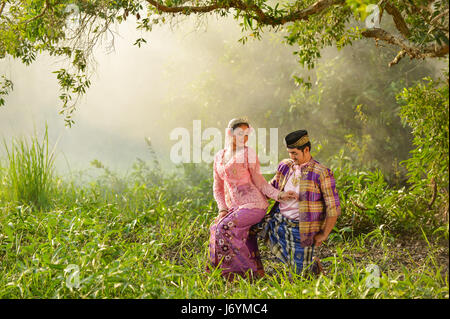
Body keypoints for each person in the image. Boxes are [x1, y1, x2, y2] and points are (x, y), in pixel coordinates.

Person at [208, 117, 296, 281]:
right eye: (240, 134)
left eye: (247, 134)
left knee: (224, 228)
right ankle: (225, 274)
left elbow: (260, 182)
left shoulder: (248, 153)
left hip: (254, 205)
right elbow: (217, 187)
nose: (244, 138)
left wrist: (279, 195)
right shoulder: (219, 156)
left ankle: (247, 275)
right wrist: (222, 209)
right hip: (235, 208)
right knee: (215, 226)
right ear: (229, 133)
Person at [252, 129, 341, 276]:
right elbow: (271, 188)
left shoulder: (321, 173)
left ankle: (312, 265)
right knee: (249, 227)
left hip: (301, 230)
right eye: (289, 153)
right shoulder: (285, 166)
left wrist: (324, 234)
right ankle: (251, 269)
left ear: (306, 149)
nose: (291, 157)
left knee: (301, 276)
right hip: (278, 220)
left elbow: (333, 208)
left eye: (295, 153)